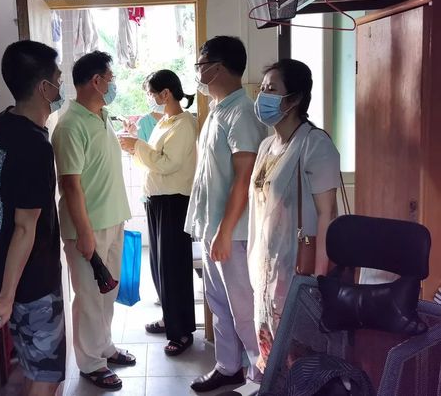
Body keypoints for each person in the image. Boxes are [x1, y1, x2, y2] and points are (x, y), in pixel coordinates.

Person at [0, 40, 66, 396]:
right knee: (46, 375)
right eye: (58, 79)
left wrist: (8, 191)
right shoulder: (35, 146)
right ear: (44, 87)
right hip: (32, 279)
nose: (60, 86)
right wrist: (7, 297)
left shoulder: (2, 124)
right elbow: (26, 228)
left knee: (31, 364)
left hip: (10, 271)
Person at [185, 36, 268, 392]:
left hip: (233, 232)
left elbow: (244, 178)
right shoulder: (218, 110)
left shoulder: (242, 112)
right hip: (214, 228)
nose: (198, 71)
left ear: (217, 68)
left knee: (244, 308)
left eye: (201, 64)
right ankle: (228, 365)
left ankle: (260, 376)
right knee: (219, 303)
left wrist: (224, 231)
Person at [248, 58, 340, 371]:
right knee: (270, 342)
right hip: (266, 263)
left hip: (299, 264)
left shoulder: (315, 144)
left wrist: (320, 279)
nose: (263, 96)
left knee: (297, 348)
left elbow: (328, 214)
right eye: (262, 89)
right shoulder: (266, 146)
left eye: (272, 89)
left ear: (295, 98)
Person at [51, 51, 133, 391]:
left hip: (113, 219)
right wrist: (84, 234)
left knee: (107, 292)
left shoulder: (102, 115)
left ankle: (105, 346)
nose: (113, 84)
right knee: (88, 296)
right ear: (96, 81)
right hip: (87, 227)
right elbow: (70, 185)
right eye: (110, 79)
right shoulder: (70, 125)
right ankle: (90, 363)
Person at [119, 69, 198, 356]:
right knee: (159, 265)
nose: (150, 98)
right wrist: (135, 148)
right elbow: (153, 160)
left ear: (166, 93)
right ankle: (169, 318)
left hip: (174, 201)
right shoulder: (165, 121)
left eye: (151, 93)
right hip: (157, 199)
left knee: (174, 267)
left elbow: (167, 163)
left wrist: (137, 146)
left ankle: (182, 332)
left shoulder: (184, 124)